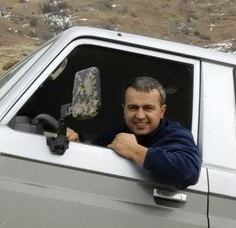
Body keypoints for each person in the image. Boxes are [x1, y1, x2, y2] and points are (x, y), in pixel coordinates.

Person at [70, 76, 201, 188]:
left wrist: (135, 151)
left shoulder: (175, 134)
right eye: (133, 108)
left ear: (162, 111)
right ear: (124, 110)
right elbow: (94, 149)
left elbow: (189, 171)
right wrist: (77, 141)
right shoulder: (118, 132)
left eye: (148, 108)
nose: (140, 116)